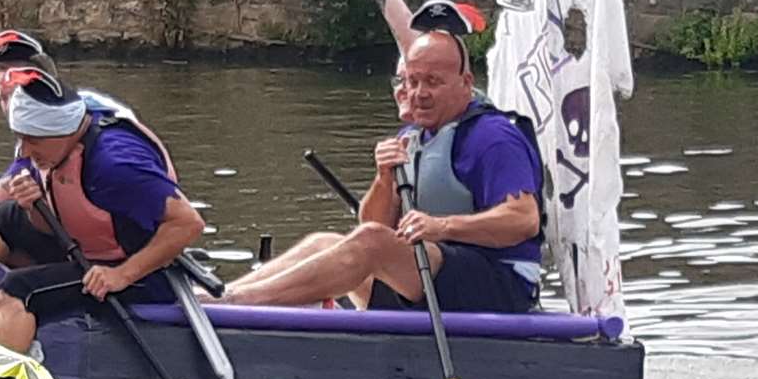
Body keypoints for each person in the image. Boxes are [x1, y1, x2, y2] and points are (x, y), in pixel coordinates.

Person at [220, 24, 542, 314]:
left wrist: (441, 226)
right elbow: (371, 226)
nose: (419, 94)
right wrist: (383, 179)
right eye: (412, 82)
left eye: (433, 82)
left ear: (466, 83)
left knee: (373, 242)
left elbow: (524, 219)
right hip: (430, 277)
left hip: (500, 285)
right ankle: (220, 295)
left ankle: (238, 304)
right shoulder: (412, 137)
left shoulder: (494, 137)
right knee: (323, 243)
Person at [0, 72, 204, 352]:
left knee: (19, 289)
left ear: (63, 132)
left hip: (139, 273)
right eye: (21, 138)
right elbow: (52, 224)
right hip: (85, 249)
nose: (23, 152)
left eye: (33, 141)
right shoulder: (51, 146)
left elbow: (188, 224)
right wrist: (33, 206)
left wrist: (123, 275)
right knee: (7, 217)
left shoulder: (116, 165)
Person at [0, 31, 137, 231]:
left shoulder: (58, 130)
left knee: (6, 216)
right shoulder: (63, 111)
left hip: (123, 244)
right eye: (2, 99)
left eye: (14, 98)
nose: (9, 109)